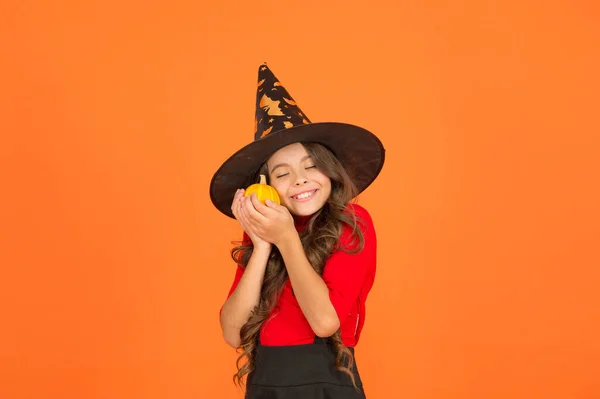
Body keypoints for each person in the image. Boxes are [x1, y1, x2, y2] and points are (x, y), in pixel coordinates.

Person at [209, 63, 385, 399]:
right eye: (282, 173)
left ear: (330, 172)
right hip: (265, 386)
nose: (300, 180)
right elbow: (233, 333)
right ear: (268, 186)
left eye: (310, 166)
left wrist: (287, 238)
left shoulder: (352, 222)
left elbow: (324, 322)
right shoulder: (265, 234)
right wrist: (262, 245)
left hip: (325, 385)